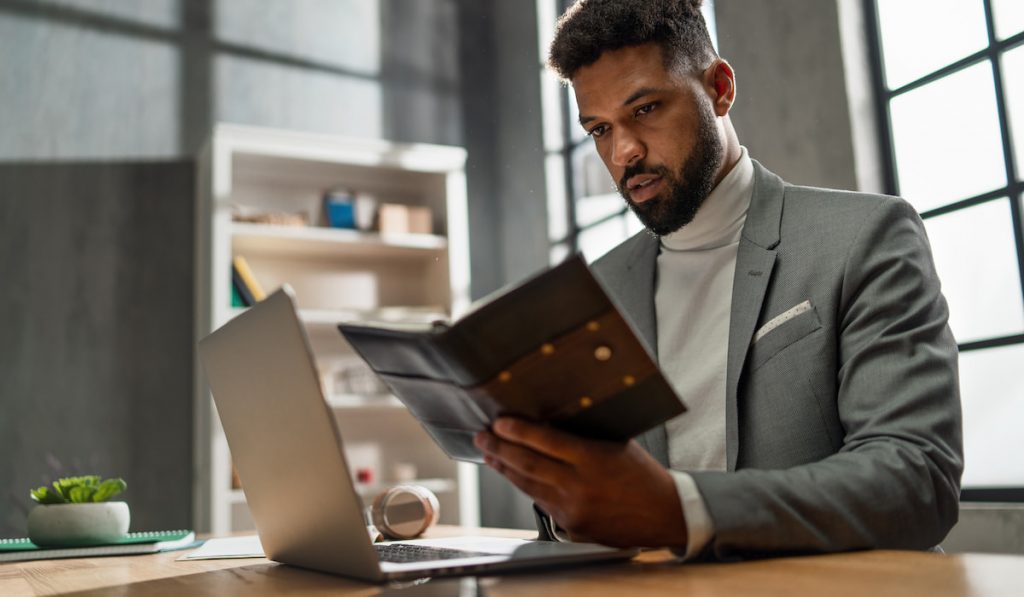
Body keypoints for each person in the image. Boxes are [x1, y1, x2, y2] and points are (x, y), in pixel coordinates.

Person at [473, 0, 963, 560]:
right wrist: (564, 500)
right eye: (600, 129)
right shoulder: (599, 288)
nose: (624, 151)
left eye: (646, 108)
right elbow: (598, 498)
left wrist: (677, 509)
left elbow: (916, 480)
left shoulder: (863, 236)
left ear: (720, 87)